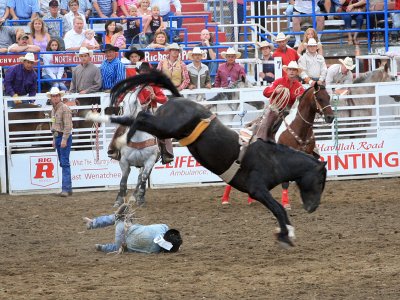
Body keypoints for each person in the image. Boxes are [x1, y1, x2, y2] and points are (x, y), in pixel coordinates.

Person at [108, 62, 174, 163]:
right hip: (134, 113)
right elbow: (121, 96)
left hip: (150, 111)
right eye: (143, 71)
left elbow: (164, 99)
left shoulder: (154, 85)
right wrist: (118, 100)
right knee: (120, 127)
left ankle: (167, 153)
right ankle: (113, 149)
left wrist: (155, 97)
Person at [83, 203, 182, 253]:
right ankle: (104, 247)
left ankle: (93, 223)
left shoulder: (162, 227)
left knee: (117, 219)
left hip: (124, 229)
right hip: (123, 244)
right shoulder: (155, 250)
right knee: (121, 249)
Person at [254, 61, 305, 141]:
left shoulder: (299, 86)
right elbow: (265, 92)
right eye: (290, 69)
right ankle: (260, 140)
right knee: (267, 122)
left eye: (294, 70)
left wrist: (298, 97)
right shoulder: (279, 81)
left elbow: (302, 98)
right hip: (276, 108)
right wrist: (276, 91)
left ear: (296, 72)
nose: (291, 71)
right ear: (287, 71)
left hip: (289, 111)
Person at [48, 87, 73, 197]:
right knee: (63, 162)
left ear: (60, 97)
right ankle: (67, 188)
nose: (55, 98)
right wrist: (54, 139)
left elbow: (68, 126)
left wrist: (64, 139)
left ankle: (66, 189)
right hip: (58, 136)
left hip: (63, 137)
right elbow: (54, 125)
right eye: (53, 96)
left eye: (56, 96)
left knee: (64, 162)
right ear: (51, 98)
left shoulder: (64, 108)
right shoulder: (54, 109)